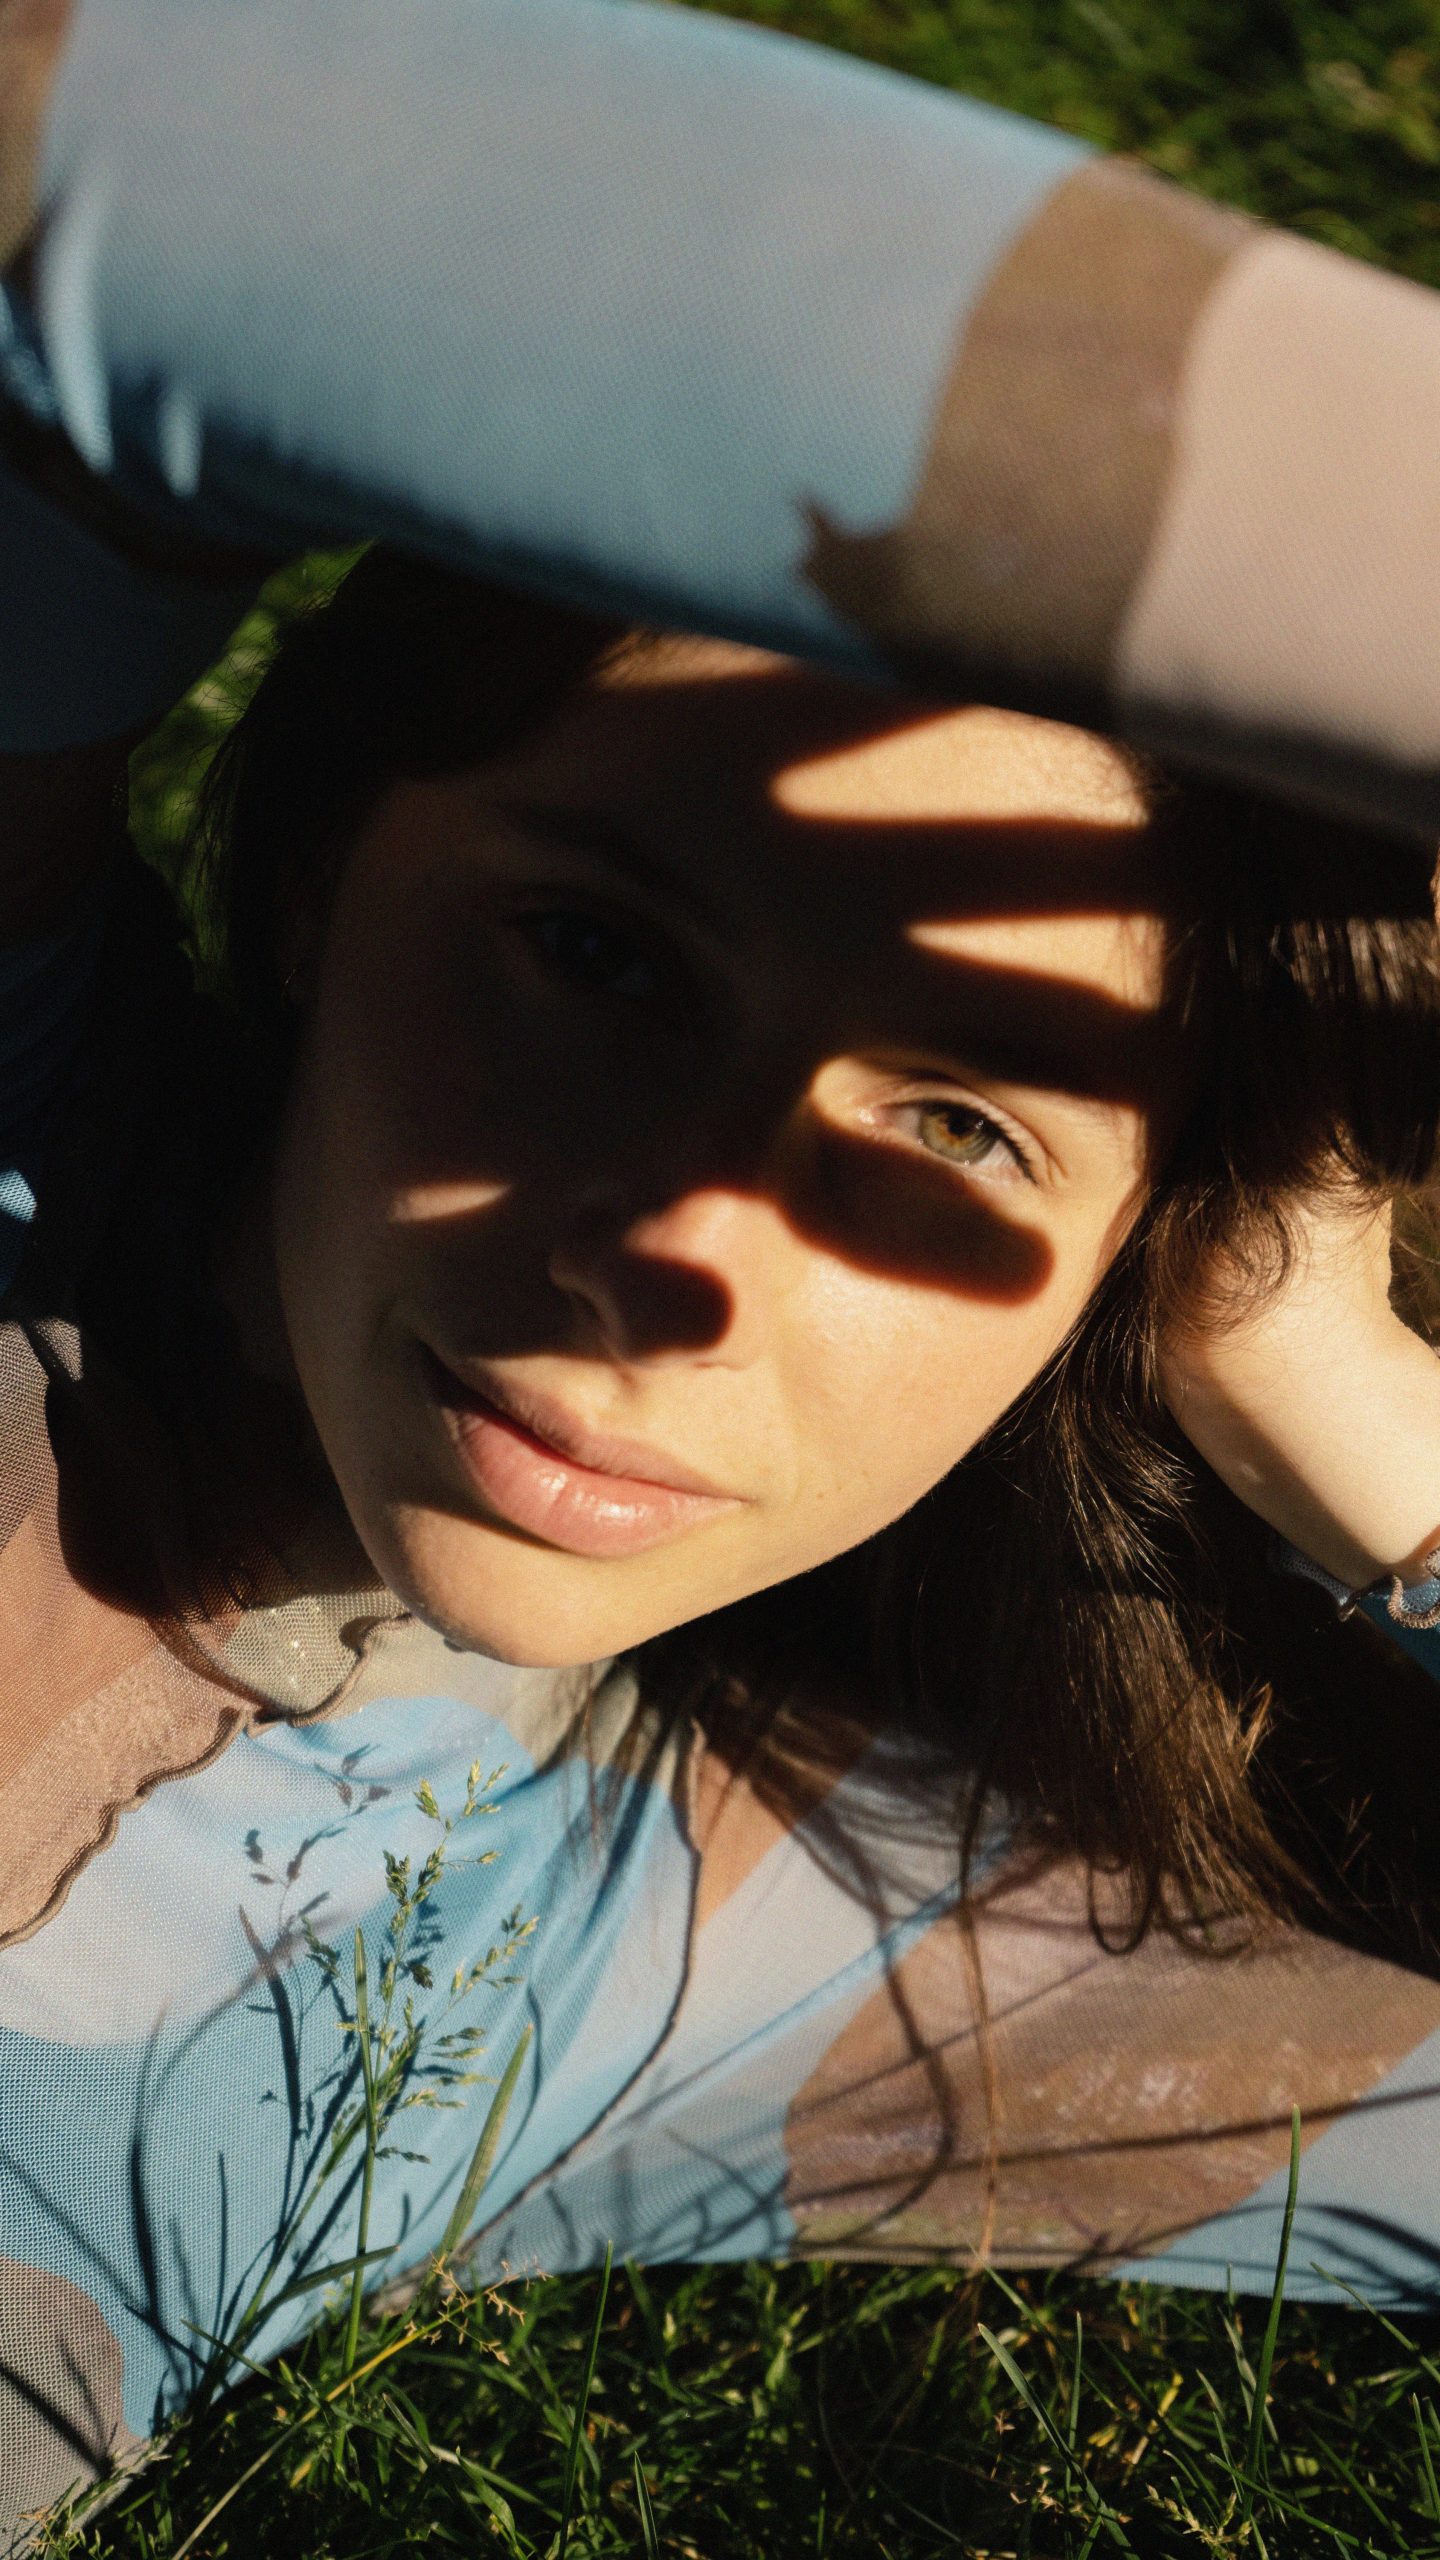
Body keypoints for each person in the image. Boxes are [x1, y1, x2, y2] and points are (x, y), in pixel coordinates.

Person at [5, 0, 1440, 2538]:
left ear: (1129, 1264)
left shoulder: (682, 1937)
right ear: (332, 867)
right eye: (596, 955)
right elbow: (84, 151)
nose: (675, 1255)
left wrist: (1331, 1387)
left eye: (965, 1122)